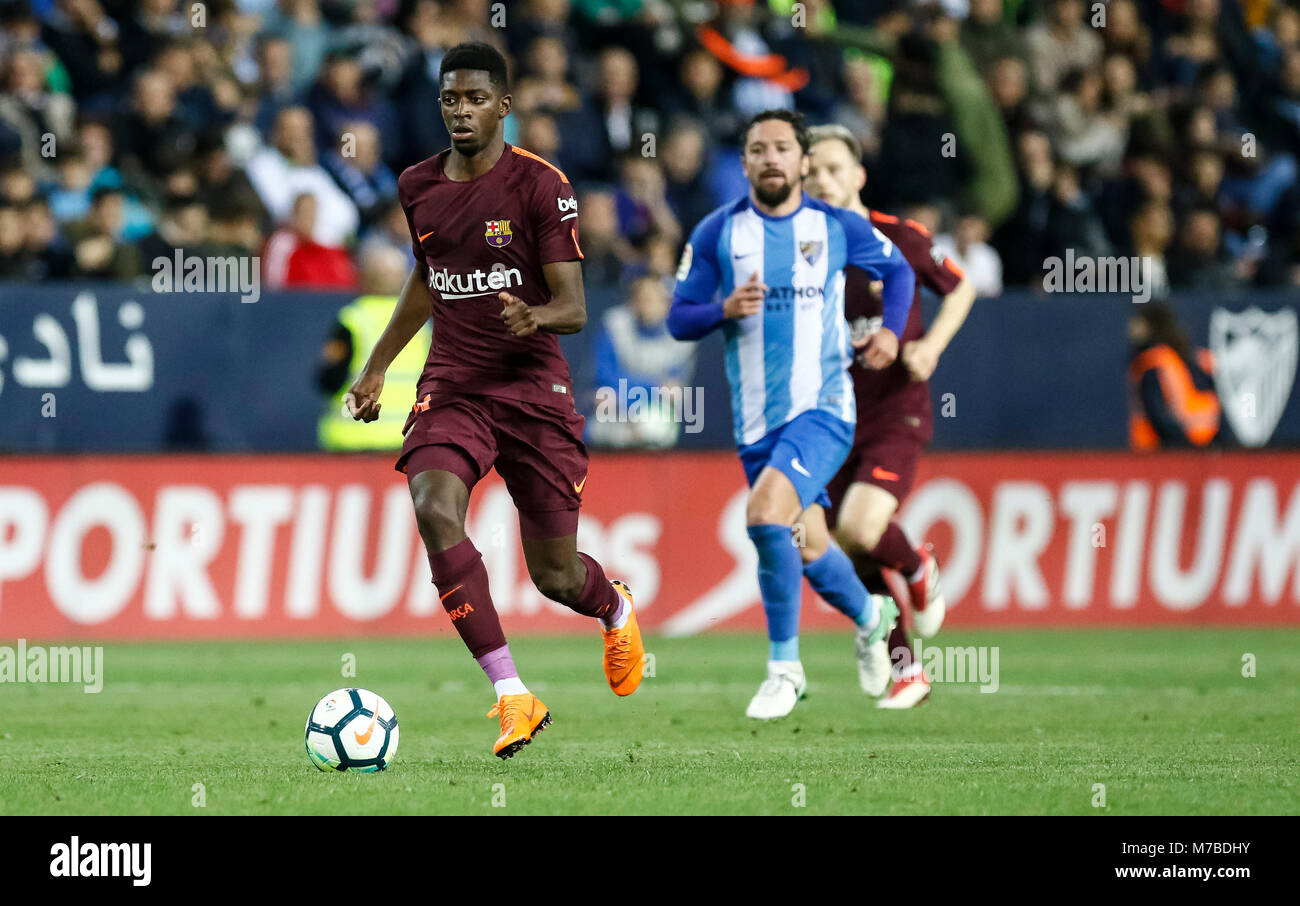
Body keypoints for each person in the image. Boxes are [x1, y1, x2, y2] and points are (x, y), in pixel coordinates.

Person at [343, 42, 645, 760]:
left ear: (503, 107)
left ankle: (613, 605)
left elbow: (573, 305)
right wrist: (378, 366)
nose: (461, 111)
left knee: (556, 576)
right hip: (453, 385)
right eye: (451, 99)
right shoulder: (418, 184)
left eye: (476, 99)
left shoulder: (542, 186)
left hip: (533, 388)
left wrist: (533, 316)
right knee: (432, 505)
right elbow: (427, 276)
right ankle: (512, 693)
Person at [668, 108, 915, 720]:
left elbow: (900, 268)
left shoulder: (833, 226)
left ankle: (785, 669)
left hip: (823, 408)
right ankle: (870, 614)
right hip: (757, 422)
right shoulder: (717, 233)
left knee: (763, 515)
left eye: (782, 148)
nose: (771, 158)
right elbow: (679, 318)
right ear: (745, 162)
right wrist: (722, 308)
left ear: (802, 161)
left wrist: (889, 332)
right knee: (806, 541)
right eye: (758, 149)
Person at [804, 124, 978, 709]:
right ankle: (911, 671)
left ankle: (921, 564)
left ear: (858, 175)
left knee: (859, 528)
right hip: (832, 417)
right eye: (811, 173)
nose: (820, 180)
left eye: (832, 168)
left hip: (894, 410)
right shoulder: (803, 251)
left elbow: (960, 289)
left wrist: (929, 348)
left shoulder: (898, 237)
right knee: (850, 549)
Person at [1128, 304, 1221, 450]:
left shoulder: (1153, 360)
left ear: (1152, 325)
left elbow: (1158, 413)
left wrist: (1182, 446)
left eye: (1138, 321)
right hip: (1200, 442)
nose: (1131, 327)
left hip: (1162, 448)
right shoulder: (1179, 357)